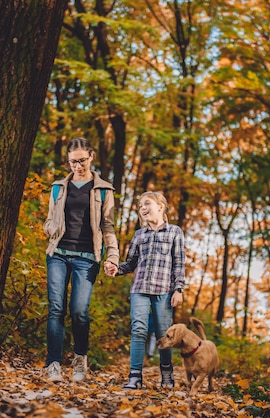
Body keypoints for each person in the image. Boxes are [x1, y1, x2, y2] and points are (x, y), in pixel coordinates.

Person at [43, 137, 120, 383]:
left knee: (79, 312)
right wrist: (50, 228)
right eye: (72, 162)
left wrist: (113, 256)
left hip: (87, 258)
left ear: (91, 157)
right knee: (56, 308)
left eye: (81, 161)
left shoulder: (104, 190)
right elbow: (49, 220)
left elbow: (108, 226)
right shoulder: (58, 187)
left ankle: (79, 360)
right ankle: (53, 364)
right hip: (58, 254)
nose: (77, 166)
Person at [104, 191, 186, 390]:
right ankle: (135, 377)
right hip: (139, 289)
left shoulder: (174, 232)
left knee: (163, 335)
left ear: (160, 206)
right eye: (140, 205)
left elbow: (179, 263)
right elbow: (131, 263)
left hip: (164, 291)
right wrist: (117, 268)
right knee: (138, 330)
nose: (142, 208)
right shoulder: (140, 234)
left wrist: (179, 289)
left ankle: (167, 374)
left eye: (147, 204)